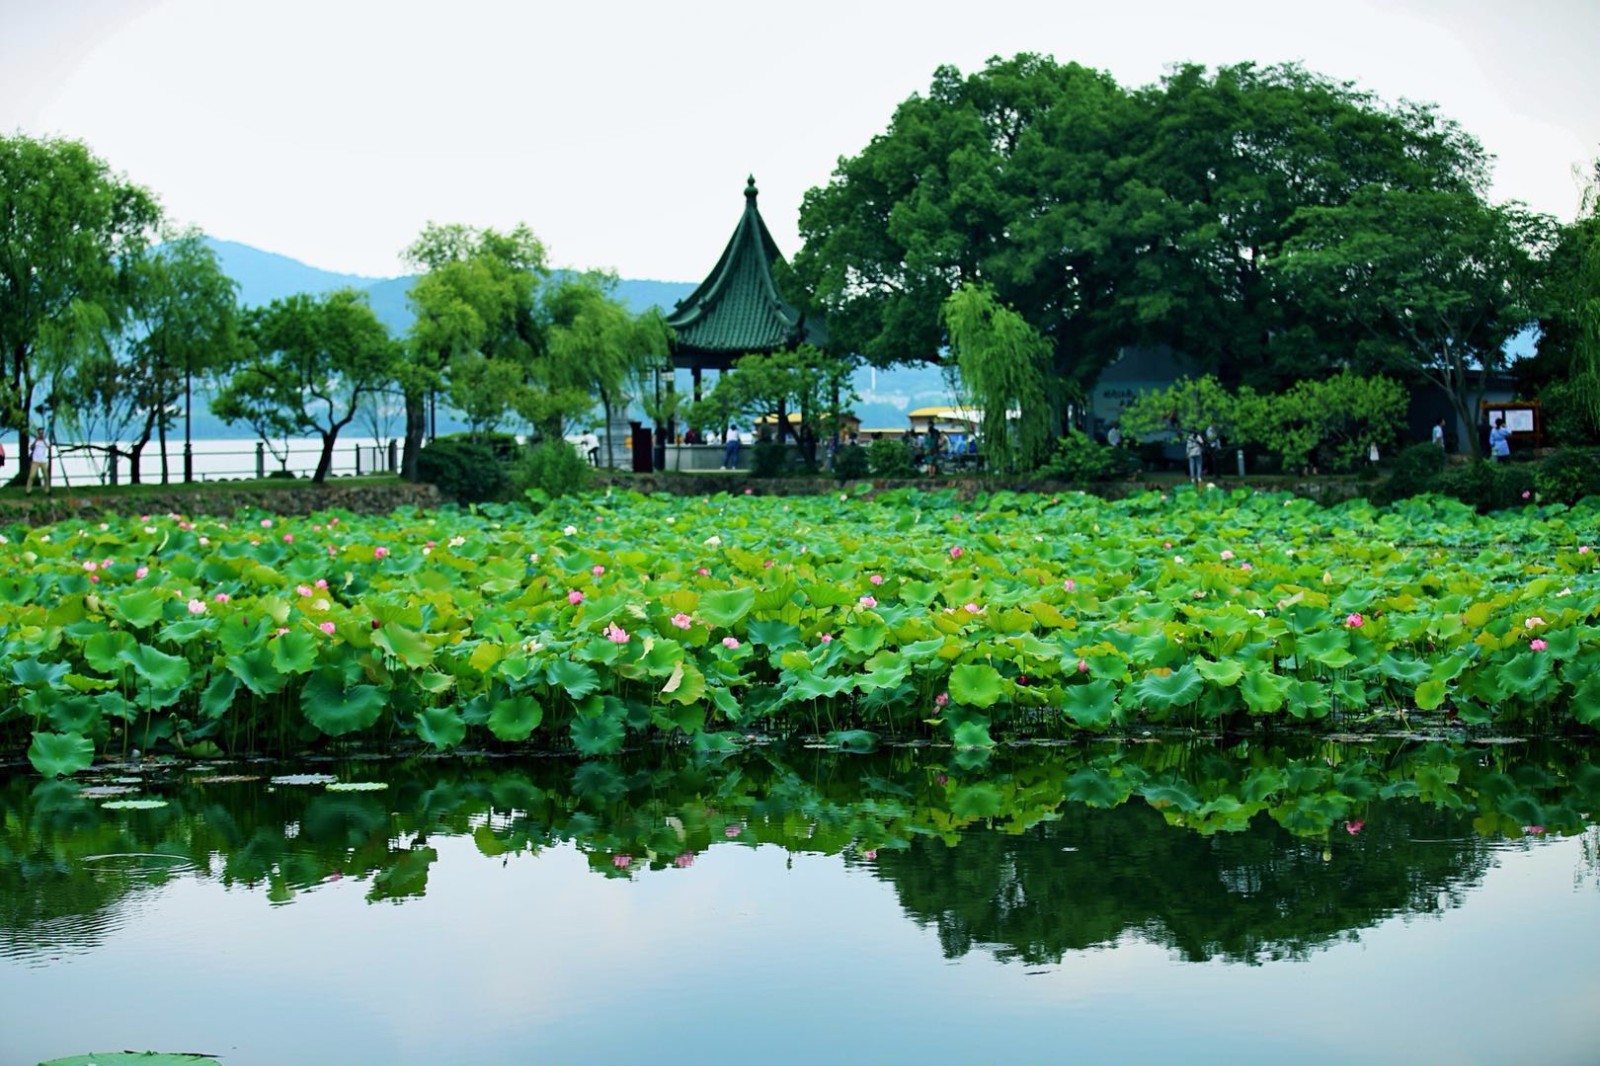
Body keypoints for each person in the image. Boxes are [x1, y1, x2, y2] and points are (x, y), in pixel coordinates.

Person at [25, 428, 49, 494]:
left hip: (43, 460)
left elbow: (48, 447)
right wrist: (36, 440)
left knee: (46, 476)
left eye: (42, 433)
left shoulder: (46, 440)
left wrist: (43, 440)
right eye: (40, 433)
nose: (41, 434)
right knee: (31, 476)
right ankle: (28, 490)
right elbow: (31, 447)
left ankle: (47, 489)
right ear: (37, 433)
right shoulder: (34, 440)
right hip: (35, 461)